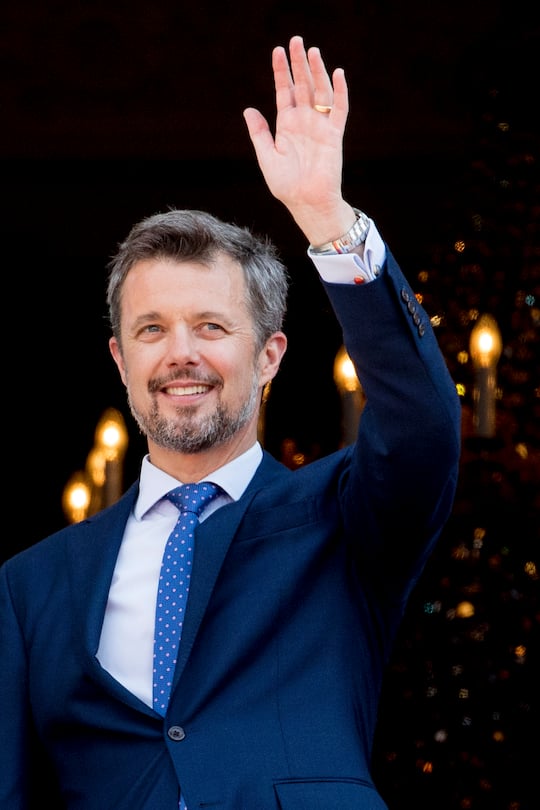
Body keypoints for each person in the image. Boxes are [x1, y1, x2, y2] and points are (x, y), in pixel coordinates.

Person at [0, 35, 461, 810]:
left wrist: (326, 220)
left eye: (212, 327)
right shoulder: (31, 582)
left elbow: (421, 426)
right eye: (152, 330)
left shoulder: (345, 523)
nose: (181, 354)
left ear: (272, 355)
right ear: (119, 359)